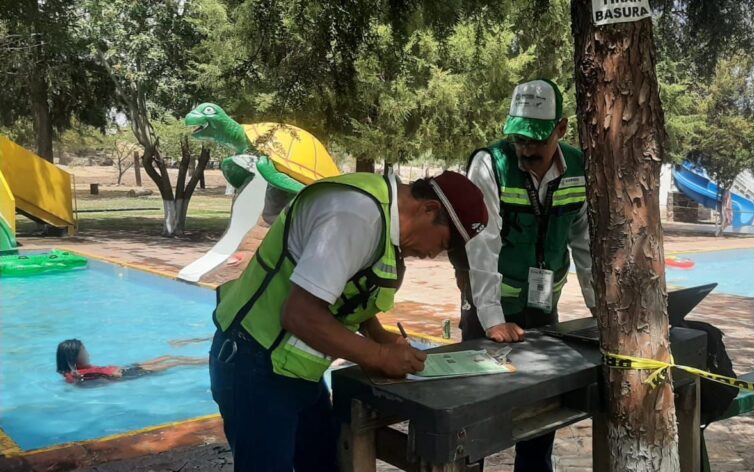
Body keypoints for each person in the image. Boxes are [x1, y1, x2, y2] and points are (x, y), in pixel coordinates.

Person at [208, 171, 488, 471]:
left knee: (325, 463)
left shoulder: (380, 215)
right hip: (254, 364)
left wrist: (379, 335)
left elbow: (344, 288)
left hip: (292, 370)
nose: (433, 254)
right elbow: (300, 314)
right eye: (443, 243)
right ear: (429, 209)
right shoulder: (356, 215)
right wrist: (378, 355)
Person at [452, 79, 595, 472]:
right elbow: (482, 242)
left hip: (544, 311)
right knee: (472, 428)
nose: (526, 149)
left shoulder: (580, 168)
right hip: (488, 313)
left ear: (561, 129)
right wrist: (493, 319)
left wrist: (600, 312)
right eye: (519, 139)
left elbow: (584, 243)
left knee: (538, 428)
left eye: (536, 139)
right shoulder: (490, 164)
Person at [56, 339, 206, 385]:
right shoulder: (76, 375)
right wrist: (114, 374)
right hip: (127, 374)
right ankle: (208, 362)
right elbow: (106, 377)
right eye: (83, 351)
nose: (87, 353)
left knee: (168, 356)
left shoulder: (73, 370)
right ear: (73, 357)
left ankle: (206, 360)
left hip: (125, 369)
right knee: (175, 363)